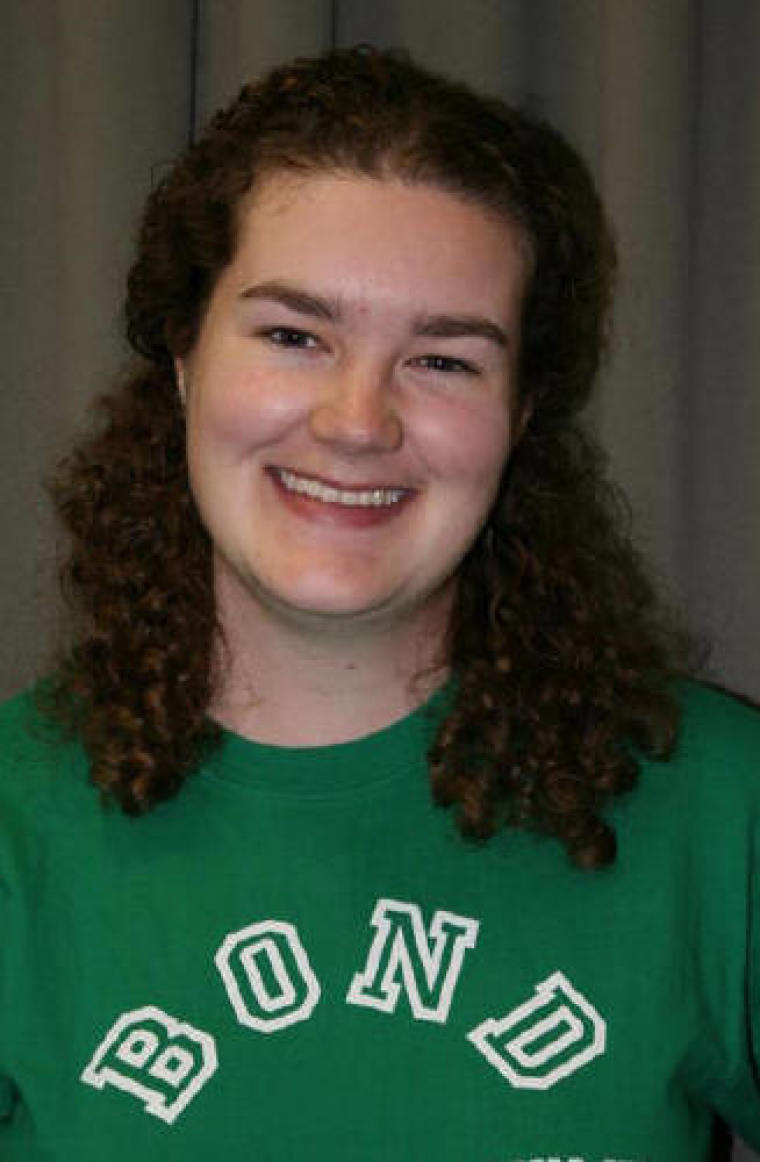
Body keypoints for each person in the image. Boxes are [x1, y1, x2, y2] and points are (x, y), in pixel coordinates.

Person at [0, 44, 758, 1161]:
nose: (357, 421)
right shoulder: (19, 826)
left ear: (520, 414)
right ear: (184, 359)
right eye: (293, 336)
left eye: (444, 360)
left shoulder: (716, 806)